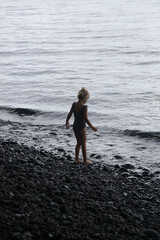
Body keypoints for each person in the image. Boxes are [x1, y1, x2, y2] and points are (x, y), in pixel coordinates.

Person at [66, 87, 97, 164]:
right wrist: (93, 127)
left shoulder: (74, 104)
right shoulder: (84, 107)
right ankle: (85, 160)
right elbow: (86, 119)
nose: (87, 101)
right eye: (87, 99)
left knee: (78, 143)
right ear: (85, 98)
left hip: (75, 126)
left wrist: (67, 122)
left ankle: (76, 159)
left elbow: (69, 114)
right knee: (83, 144)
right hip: (82, 127)